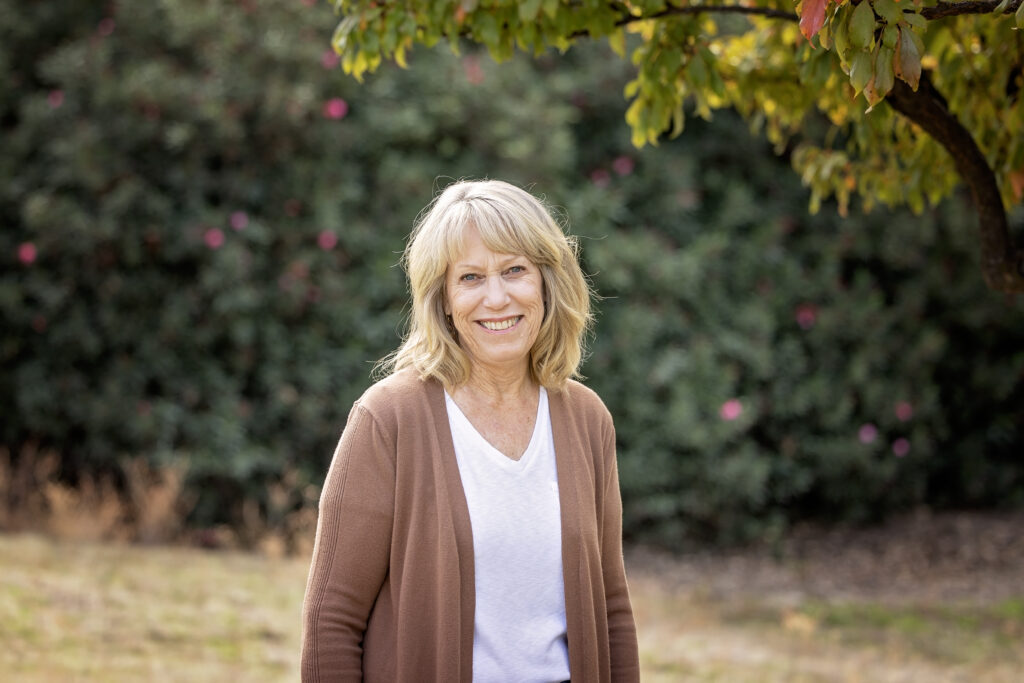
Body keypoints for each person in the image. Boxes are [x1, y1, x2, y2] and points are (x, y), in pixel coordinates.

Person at [301, 179, 639, 682]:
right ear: (443, 299)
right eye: (471, 277)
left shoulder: (587, 419)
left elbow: (611, 607)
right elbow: (332, 619)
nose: (497, 298)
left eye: (515, 270)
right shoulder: (388, 419)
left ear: (548, 282)